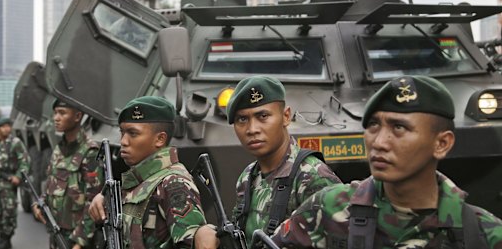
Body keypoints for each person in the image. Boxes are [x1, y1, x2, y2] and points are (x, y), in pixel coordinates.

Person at [271, 75, 502, 248]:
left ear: (442, 143)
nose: (379, 142)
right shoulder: (327, 211)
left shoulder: (483, 235)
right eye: (373, 125)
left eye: (399, 128)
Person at [195, 75, 341, 248]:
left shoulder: (313, 177)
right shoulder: (248, 177)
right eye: (242, 119)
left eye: (263, 116)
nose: (252, 129)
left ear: (286, 116)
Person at [88, 96, 207, 248]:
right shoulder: (139, 180)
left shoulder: (174, 183)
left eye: (133, 133)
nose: (123, 141)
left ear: (160, 139)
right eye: (122, 132)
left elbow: (188, 244)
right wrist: (104, 201)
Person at [32, 100, 103, 249]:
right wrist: (40, 202)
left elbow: (93, 201)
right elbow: (53, 184)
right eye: (55, 112)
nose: (56, 118)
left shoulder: (90, 152)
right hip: (56, 232)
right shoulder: (59, 149)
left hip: (76, 238)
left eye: (62, 113)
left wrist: (80, 242)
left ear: (77, 116)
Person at [0, 117, 31, 249]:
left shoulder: (15, 142)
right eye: (3, 126)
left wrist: (18, 176)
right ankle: (1, 238)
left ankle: (7, 240)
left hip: (8, 183)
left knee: (8, 211)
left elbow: (25, 161)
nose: (7, 128)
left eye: (8, 126)